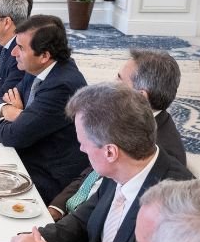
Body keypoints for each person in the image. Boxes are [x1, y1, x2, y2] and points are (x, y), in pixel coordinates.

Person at [7, 83, 193, 242]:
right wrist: (39, 239)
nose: (82, 150)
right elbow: (82, 220)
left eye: (83, 143)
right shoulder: (126, 164)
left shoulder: (175, 207)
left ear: (110, 152)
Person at [48, 48, 187, 220]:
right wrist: (58, 207)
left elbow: (120, 214)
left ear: (140, 96)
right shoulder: (124, 120)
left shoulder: (157, 154)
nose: (113, 83)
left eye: (120, 79)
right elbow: (92, 172)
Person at [0, 20, 88, 201]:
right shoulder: (37, 68)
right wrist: (9, 111)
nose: (13, 52)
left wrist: (18, 117)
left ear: (44, 55)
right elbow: (0, 98)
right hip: (30, 154)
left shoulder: (62, 85)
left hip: (48, 177)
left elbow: (14, 136)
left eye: (20, 48)